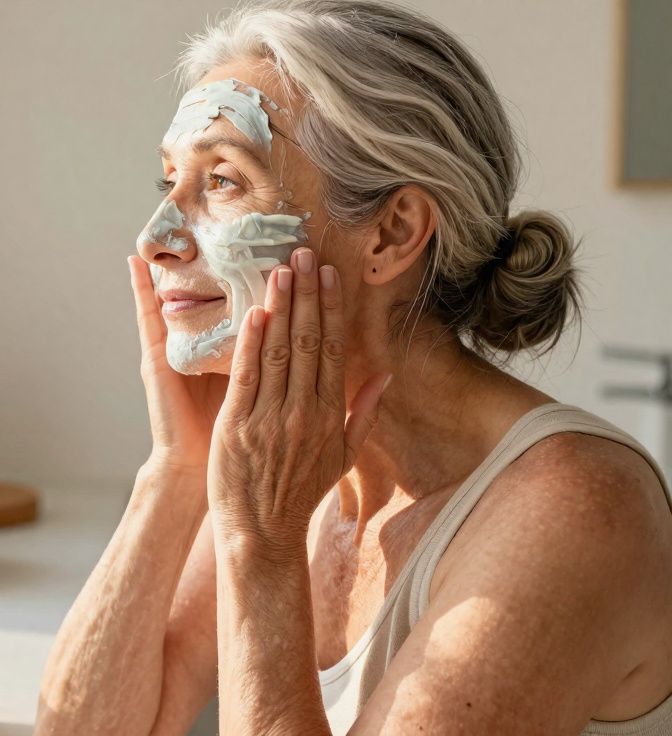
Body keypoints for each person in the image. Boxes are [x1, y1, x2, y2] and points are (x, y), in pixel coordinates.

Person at [36, 1, 672, 733]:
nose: (156, 239)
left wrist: (262, 545)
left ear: (392, 233)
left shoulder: (577, 509)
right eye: (169, 183)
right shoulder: (297, 452)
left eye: (222, 181)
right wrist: (175, 468)